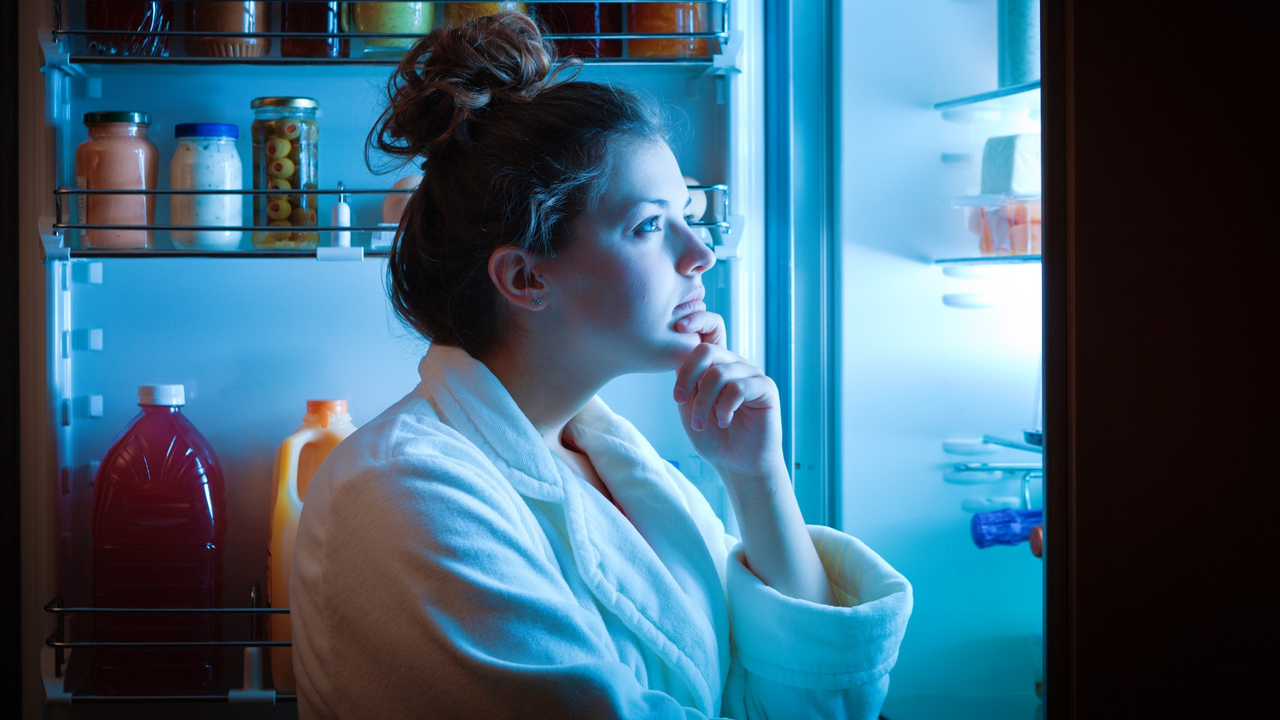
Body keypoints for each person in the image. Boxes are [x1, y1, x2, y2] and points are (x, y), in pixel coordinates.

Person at [290, 12, 911, 720]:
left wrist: (755, 477)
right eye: (650, 226)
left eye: (689, 214)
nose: (699, 254)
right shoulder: (404, 493)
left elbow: (790, 697)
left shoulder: (609, 458)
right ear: (525, 279)